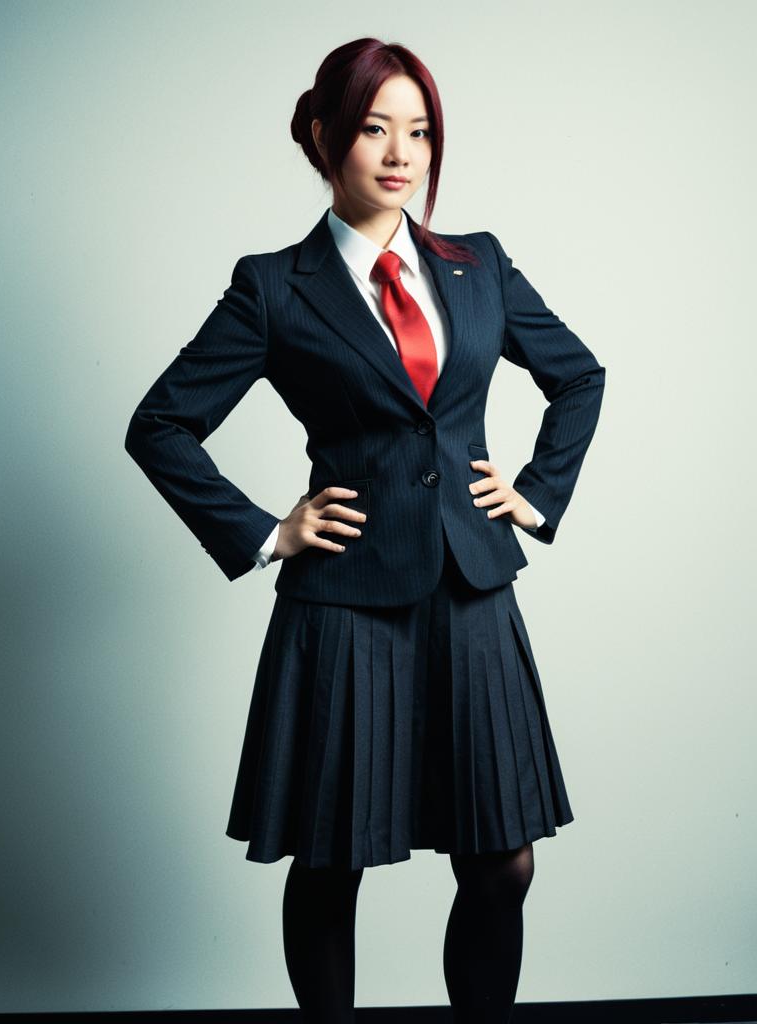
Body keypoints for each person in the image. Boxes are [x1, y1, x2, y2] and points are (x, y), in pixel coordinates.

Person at [124, 36, 605, 1024]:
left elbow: (579, 375)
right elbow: (160, 423)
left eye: (420, 130)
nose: (402, 151)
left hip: (471, 590)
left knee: (501, 857)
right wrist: (268, 530)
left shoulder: (479, 266)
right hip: (343, 601)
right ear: (322, 136)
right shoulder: (273, 285)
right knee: (335, 856)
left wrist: (535, 493)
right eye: (376, 127)